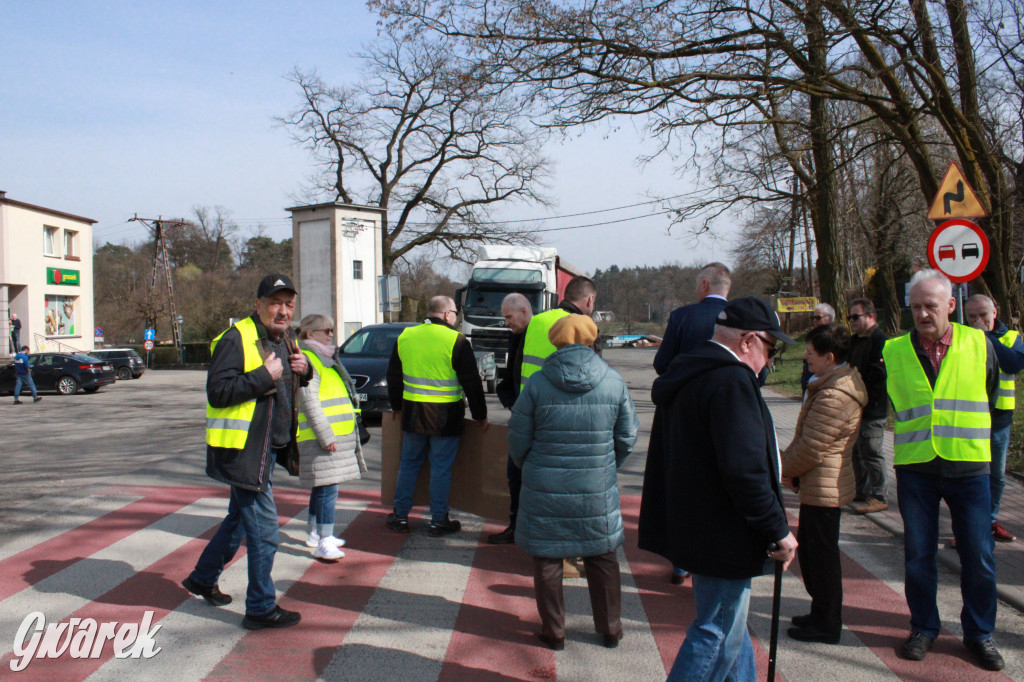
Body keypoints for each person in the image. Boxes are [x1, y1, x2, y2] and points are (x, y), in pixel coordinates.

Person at [639, 297, 798, 681]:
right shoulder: (730, 381)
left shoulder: (692, 370)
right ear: (748, 340)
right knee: (718, 631)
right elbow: (745, 470)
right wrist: (777, 528)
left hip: (698, 521)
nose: (769, 361)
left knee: (729, 625)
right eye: (770, 349)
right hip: (722, 529)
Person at [885, 270, 1003, 670]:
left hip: (968, 465)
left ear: (951, 305)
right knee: (918, 555)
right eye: (916, 307)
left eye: (930, 306)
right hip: (916, 467)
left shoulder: (979, 343)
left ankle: (980, 634)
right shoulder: (894, 350)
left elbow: (990, 391)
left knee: (979, 555)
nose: (922, 314)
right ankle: (923, 627)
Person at [182, 273, 311, 630]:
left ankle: (203, 578)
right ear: (258, 304)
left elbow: (289, 380)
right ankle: (260, 608)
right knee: (265, 532)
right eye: (275, 303)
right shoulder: (236, 338)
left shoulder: (287, 337)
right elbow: (218, 392)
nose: (282, 311)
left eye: (288, 304)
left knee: (238, 520)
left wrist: (306, 370)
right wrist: (262, 377)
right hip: (244, 452)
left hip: (269, 448)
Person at [508, 314, 639, 650]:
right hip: (596, 486)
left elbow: (518, 438)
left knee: (547, 557)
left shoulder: (537, 383)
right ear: (593, 339)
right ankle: (610, 629)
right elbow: (627, 436)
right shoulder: (613, 381)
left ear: (555, 341)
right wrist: (606, 466)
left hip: (545, 484)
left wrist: (530, 467)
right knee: (602, 554)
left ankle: (554, 632)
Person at [781, 324, 867, 644]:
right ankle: (820, 613)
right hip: (820, 483)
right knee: (815, 555)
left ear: (830, 357)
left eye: (811, 352)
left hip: (825, 486)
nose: (805, 357)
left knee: (821, 559)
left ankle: (827, 623)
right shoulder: (830, 384)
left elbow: (811, 447)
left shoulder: (834, 396)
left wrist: (783, 470)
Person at [651, 262, 731, 584]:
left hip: (683, 412)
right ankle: (713, 554)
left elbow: (662, 363)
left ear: (704, 285)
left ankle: (682, 562)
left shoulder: (683, 317)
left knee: (684, 483)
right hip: (727, 411)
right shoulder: (741, 317)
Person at [386, 295, 488, 536]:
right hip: (446, 418)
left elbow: (393, 375)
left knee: (409, 465)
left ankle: (400, 517)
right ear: (446, 314)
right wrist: (480, 414)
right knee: (441, 469)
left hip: (413, 414)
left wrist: (396, 405)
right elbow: (471, 382)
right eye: (455, 314)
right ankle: (439, 521)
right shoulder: (456, 340)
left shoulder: (406, 336)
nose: (456, 318)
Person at [518, 275, 598, 577]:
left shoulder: (537, 321)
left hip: (536, 417)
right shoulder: (585, 329)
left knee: (546, 495)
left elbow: (515, 367)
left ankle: (548, 553)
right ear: (589, 300)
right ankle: (577, 556)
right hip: (578, 427)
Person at [296, 314, 367, 561]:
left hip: (331, 435)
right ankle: (324, 541)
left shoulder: (323, 358)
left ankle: (316, 533)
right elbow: (309, 402)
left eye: (331, 330)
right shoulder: (310, 360)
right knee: (328, 489)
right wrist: (326, 436)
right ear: (310, 334)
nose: (331, 335)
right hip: (322, 437)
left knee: (323, 486)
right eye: (326, 330)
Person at [965, 293, 1024, 543]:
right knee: (971, 474)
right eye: (972, 317)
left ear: (995, 313)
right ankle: (970, 526)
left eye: (983, 315)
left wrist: (986, 337)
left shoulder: (1011, 337)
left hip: (999, 417)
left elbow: (1014, 364)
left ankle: (989, 521)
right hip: (969, 416)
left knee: (997, 475)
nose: (978, 321)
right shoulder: (962, 338)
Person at [489, 293, 534, 545]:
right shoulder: (516, 336)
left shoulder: (538, 335)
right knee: (514, 476)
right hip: (521, 420)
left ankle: (526, 530)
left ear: (524, 311)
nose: (506, 322)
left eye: (509, 317)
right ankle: (516, 527)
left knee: (528, 478)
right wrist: (511, 403)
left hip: (538, 422)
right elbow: (510, 377)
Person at [847, 298, 890, 514]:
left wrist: (865, 398)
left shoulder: (879, 341)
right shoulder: (855, 341)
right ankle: (861, 490)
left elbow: (879, 377)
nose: (852, 321)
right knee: (857, 451)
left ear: (871, 316)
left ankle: (879, 495)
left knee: (872, 451)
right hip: (855, 406)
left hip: (872, 407)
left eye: (856, 317)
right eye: (850, 317)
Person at [653, 262, 731, 375]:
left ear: (704, 285)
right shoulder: (745, 317)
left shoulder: (680, 316)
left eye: (697, 285)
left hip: (688, 384)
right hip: (731, 384)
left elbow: (661, 364)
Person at [800, 303, 835, 395]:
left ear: (830, 318)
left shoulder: (834, 339)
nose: (815, 320)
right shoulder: (813, 337)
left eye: (818, 318)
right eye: (813, 318)